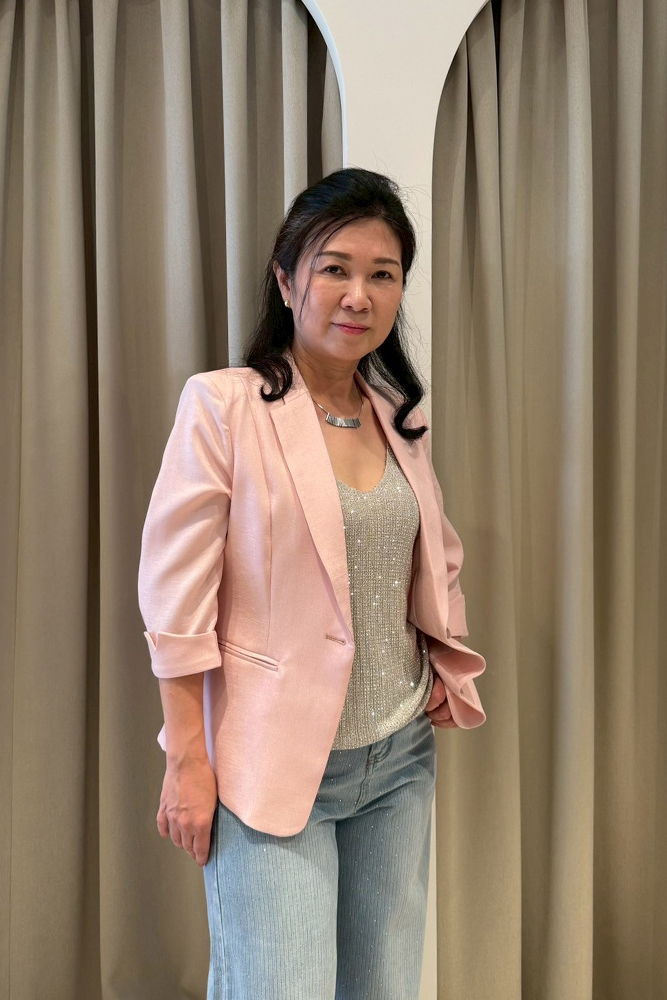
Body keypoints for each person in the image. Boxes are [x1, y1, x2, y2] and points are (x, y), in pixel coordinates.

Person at [137, 167, 487, 999]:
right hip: (270, 763)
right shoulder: (223, 406)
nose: (358, 295)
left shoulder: (399, 415)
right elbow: (176, 598)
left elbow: (430, 556)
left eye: (382, 274)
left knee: (382, 989)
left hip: (398, 760)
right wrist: (187, 759)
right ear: (287, 279)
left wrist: (445, 658)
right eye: (334, 268)